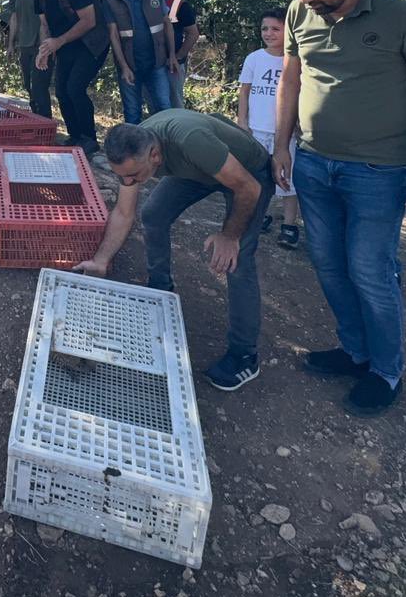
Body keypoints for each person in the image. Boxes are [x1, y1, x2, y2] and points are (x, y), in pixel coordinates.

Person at [275, 0, 406, 417]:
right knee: (329, 265)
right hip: (314, 163)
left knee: (370, 271)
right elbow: (291, 80)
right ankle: (355, 351)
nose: (306, 0)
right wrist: (281, 144)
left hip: (377, 170)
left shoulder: (403, 15)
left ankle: (385, 370)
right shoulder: (301, 14)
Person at [73, 112, 274, 392]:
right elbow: (123, 211)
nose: (129, 182)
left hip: (249, 175)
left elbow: (248, 187)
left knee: (237, 259)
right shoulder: (134, 147)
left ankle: (245, 356)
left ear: (155, 155)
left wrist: (230, 236)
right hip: (201, 170)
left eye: (133, 175)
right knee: (154, 214)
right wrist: (100, 260)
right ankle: (160, 288)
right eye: (123, 177)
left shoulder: (190, 141)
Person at [25, 0, 109, 154]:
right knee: (61, 91)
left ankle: (89, 138)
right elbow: (44, 25)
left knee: (75, 87)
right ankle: (75, 135)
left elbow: (89, 21)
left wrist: (59, 41)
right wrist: (44, 50)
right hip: (65, 46)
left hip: (91, 44)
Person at [237, 7, 300, 249]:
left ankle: (290, 224)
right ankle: (260, 215)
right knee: (257, 175)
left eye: (276, 28)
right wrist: (243, 121)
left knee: (287, 179)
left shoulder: (295, 60)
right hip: (256, 129)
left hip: (284, 132)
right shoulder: (254, 58)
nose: (269, 33)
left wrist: (297, 125)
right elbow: (245, 91)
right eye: (265, 28)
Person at [104, 0, 177, 123]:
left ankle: (165, 147)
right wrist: (123, 67)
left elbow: (167, 24)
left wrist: (172, 55)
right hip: (130, 64)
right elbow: (113, 35)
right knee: (132, 112)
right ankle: (134, 149)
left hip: (156, 62)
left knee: (164, 108)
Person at [5, 0, 52, 119]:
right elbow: (14, 17)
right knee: (28, 86)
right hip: (24, 44)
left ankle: (46, 124)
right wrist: (10, 44)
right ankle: (36, 122)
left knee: (39, 87)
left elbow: (45, 20)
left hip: (41, 44)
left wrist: (45, 47)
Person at [149, 0, 199, 108]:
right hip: (150, 64)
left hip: (171, 66)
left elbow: (193, 33)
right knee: (153, 104)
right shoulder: (144, 3)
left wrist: (178, 57)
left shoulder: (179, 5)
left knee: (175, 103)